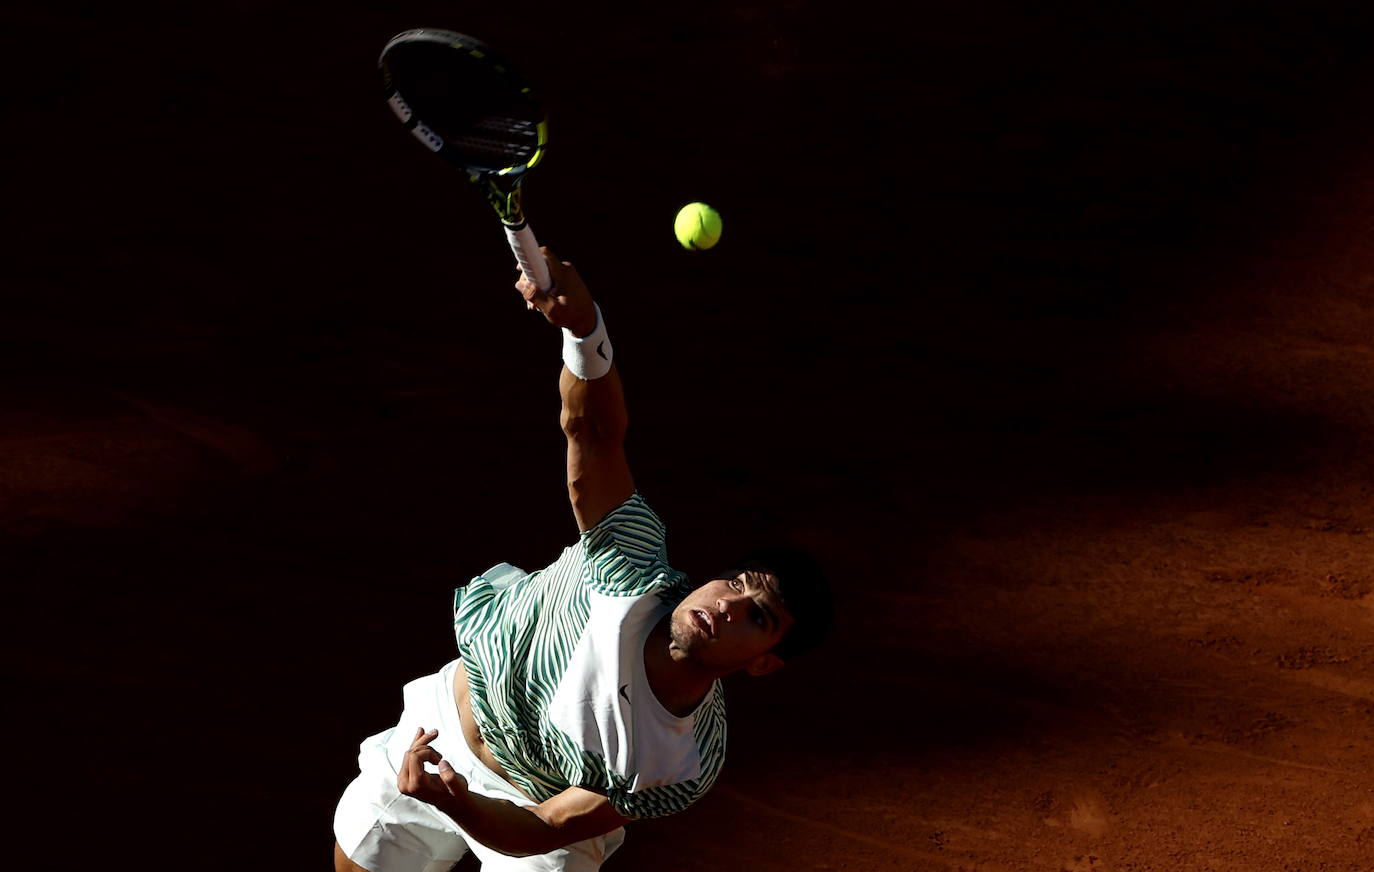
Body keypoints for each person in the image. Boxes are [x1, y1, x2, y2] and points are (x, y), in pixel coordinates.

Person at [332, 249, 833, 871]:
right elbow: (592, 433)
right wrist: (584, 329)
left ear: (763, 665)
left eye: (758, 616)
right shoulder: (630, 563)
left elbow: (544, 826)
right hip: (439, 732)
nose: (725, 605)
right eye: (734, 583)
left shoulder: (678, 763)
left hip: (537, 812)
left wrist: (460, 807)